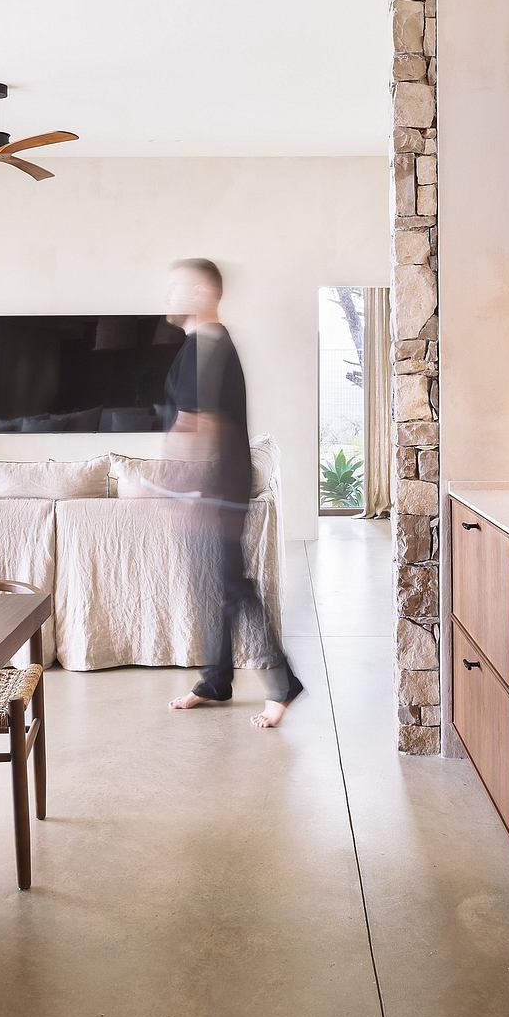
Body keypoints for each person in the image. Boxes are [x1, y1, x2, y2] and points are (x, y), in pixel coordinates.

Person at [163, 258, 302, 728]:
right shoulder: (197, 345)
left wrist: (180, 487)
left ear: (203, 293)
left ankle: (284, 684)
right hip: (211, 480)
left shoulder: (212, 345)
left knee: (233, 582)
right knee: (216, 585)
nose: (170, 296)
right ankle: (217, 681)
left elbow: (200, 423)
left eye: (180, 287)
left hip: (219, 480)